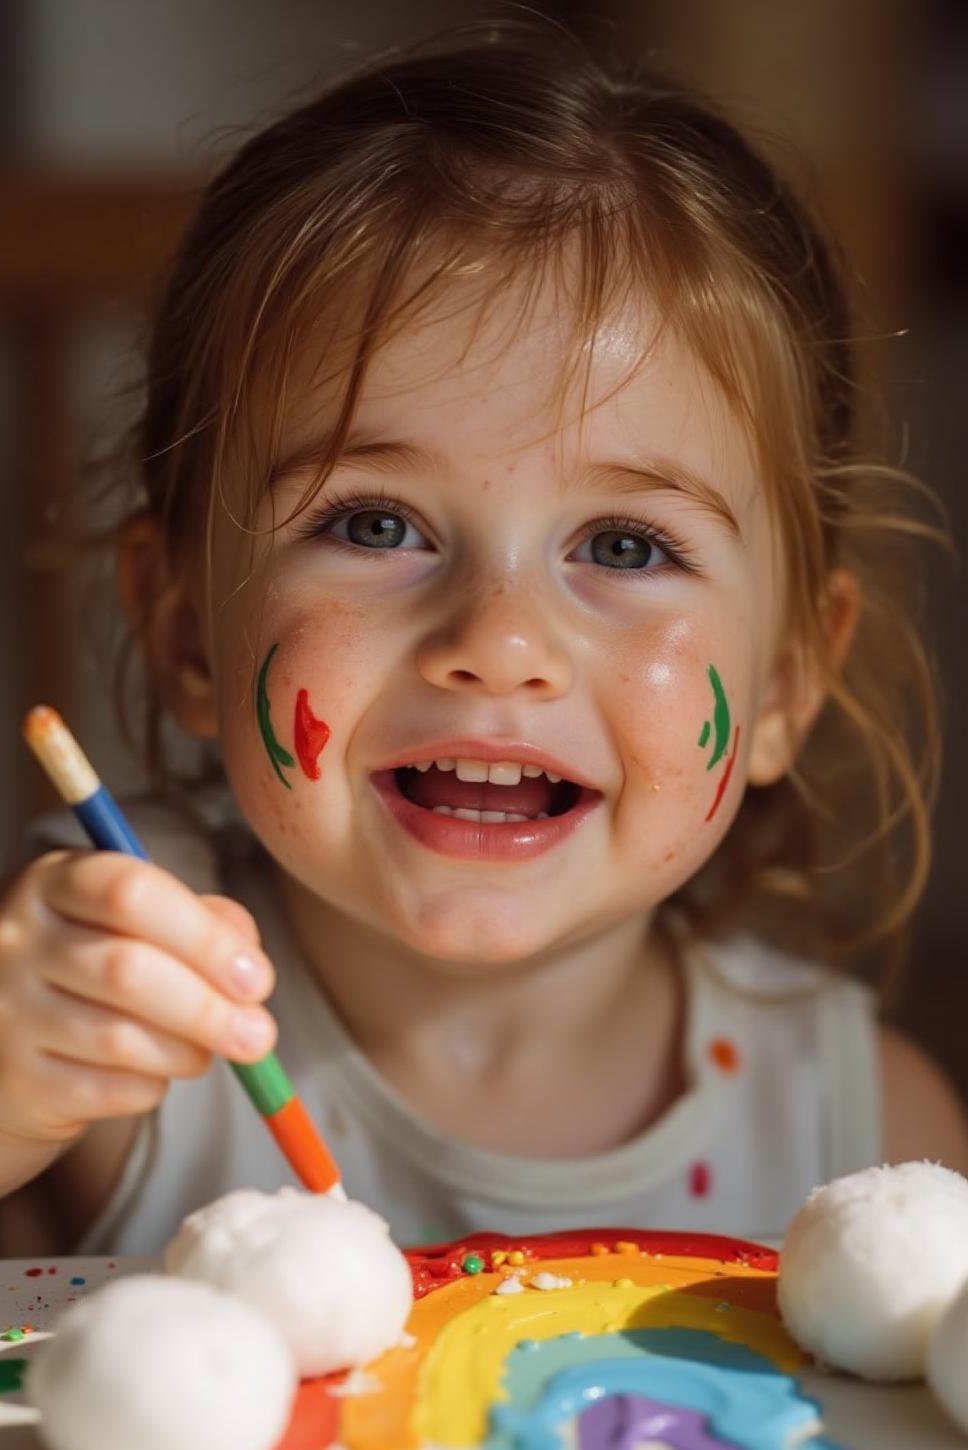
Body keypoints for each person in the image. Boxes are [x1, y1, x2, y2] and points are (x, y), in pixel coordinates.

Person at [0, 24, 965, 1258]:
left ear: (782, 682)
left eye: (622, 546)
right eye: (375, 521)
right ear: (185, 629)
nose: (498, 642)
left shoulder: (862, 1132)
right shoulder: (114, 1018)